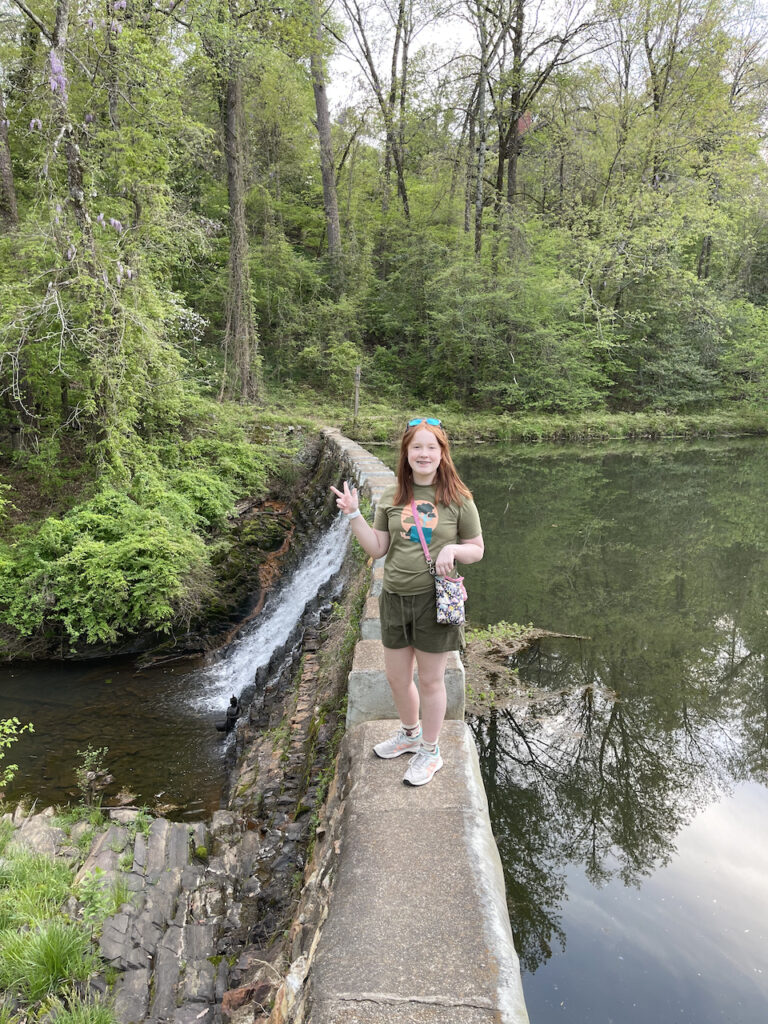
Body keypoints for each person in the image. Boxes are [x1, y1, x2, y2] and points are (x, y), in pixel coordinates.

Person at [330, 417, 484, 786]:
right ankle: (410, 734)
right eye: (417, 447)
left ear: (442, 453)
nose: (424, 453)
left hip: (434, 602)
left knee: (431, 681)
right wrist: (353, 514)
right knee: (397, 678)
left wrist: (453, 549)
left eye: (432, 447)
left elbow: (477, 550)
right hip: (395, 598)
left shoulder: (459, 499)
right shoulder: (394, 496)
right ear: (407, 453)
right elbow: (378, 548)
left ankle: (431, 752)